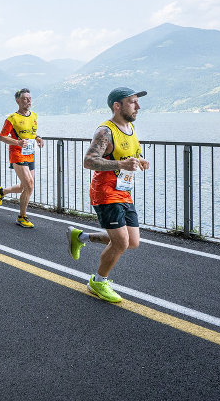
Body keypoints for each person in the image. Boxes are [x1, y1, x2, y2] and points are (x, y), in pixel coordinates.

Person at [67, 87, 150, 303]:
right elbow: (89, 160)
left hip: (124, 192)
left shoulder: (130, 128)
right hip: (105, 192)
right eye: (132, 102)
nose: (138, 106)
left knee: (132, 242)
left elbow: (127, 156)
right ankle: (98, 281)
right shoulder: (105, 131)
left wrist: (137, 161)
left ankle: (81, 237)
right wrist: (121, 163)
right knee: (121, 243)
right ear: (117, 105)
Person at [0, 88, 44, 228]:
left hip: (30, 154)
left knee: (24, 186)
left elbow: (31, 134)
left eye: (29, 98)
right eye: (25, 99)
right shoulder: (12, 118)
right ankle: (22, 217)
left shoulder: (34, 116)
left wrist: (38, 138)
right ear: (18, 101)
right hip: (17, 154)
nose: (28, 101)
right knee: (29, 185)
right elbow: (2, 136)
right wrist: (17, 142)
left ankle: (1, 192)